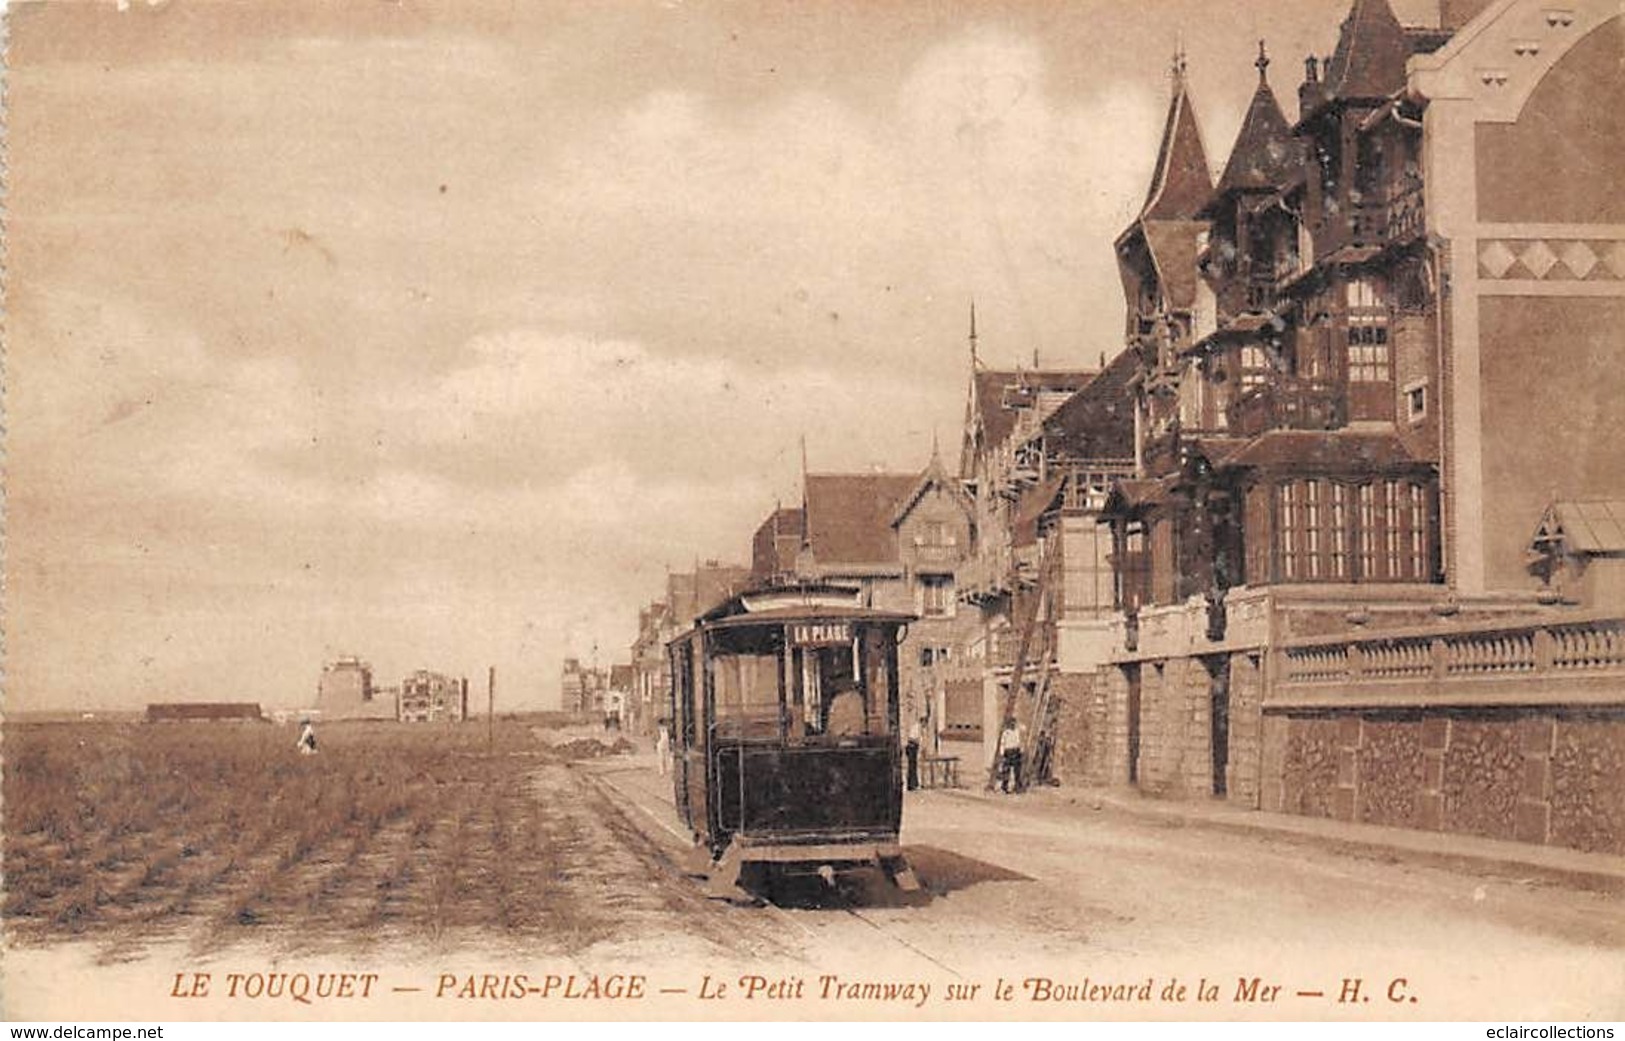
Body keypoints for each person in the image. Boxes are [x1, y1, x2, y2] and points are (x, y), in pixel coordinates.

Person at [997, 717, 1023, 793]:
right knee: (1006, 770)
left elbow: (1019, 741)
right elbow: (1002, 743)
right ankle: (1004, 787)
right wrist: (1002, 753)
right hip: (1008, 752)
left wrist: (1020, 750)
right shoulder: (1006, 733)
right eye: (1011, 723)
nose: (1013, 725)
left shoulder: (1017, 731)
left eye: (1014, 723)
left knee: (1017, 771)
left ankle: (1017, 787)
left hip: (1016, 751)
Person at [905, 715, 922, 791]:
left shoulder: (917, 727)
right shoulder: (916, 727)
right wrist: (918, 742)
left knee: (913, 766)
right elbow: (912, 738)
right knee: (912, 766)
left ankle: (913, 784)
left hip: (913, 747)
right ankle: (912, 784)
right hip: (912, 747)